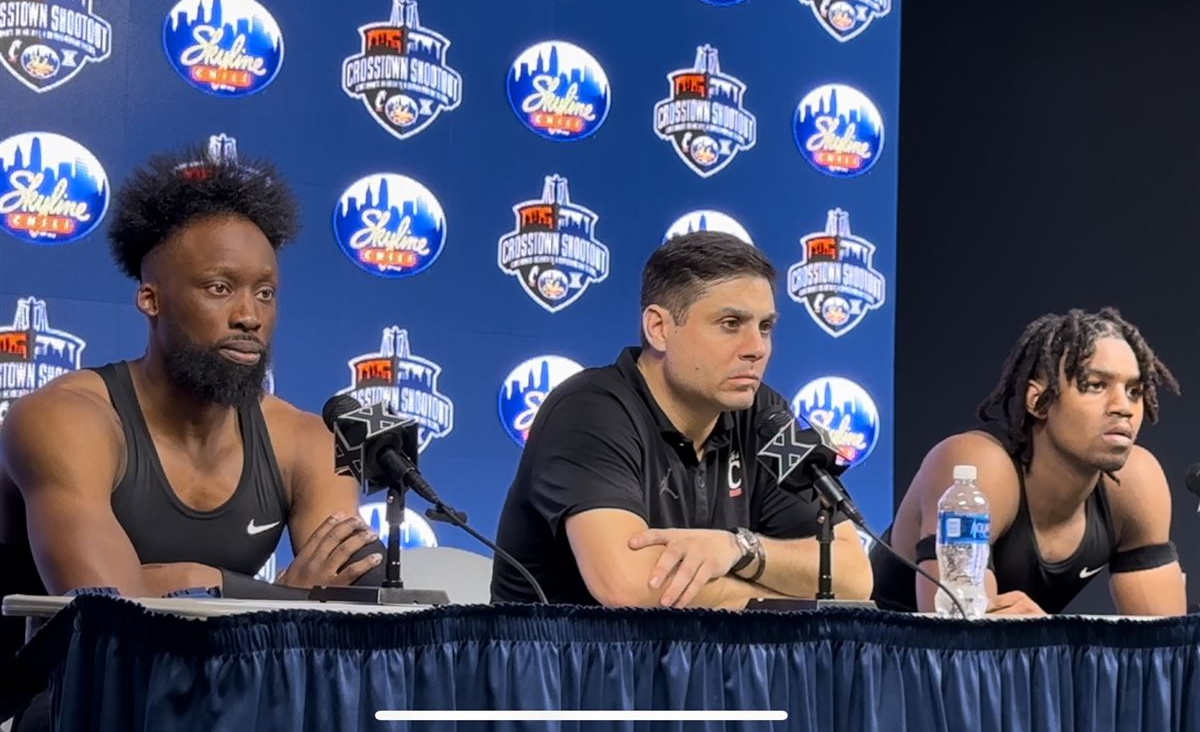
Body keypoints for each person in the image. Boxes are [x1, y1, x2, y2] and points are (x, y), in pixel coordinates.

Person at [0, 146, 385, 727]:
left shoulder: (304, 439)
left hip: (226, 687)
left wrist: (188, 583)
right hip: (60, 699)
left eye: (264, 292)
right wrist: (281, 598)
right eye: (218, 287)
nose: (249, 316)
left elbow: (350, 609)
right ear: (150, 300)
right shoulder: (64, 420)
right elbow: (116, 626)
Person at [490, 231, 873, 608]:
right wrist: (782, 602)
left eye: (765, 327)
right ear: (659, 328)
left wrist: (737, 548)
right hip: (568, 664)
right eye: (730, 324)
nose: (757, 349)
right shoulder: (587, 411)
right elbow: (630, 586)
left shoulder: (764, 416)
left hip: (705, 665)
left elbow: (854, 578)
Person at [871, 308, 1185, 616]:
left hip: (1019, 660)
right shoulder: (975, 469)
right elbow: (959, 631)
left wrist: (1046, 637)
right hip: (886, 657)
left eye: (1134, 391)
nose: (1123, 407)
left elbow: (1166, 650)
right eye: (1095, 385)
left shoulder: (1136, 482)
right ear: (1038, 401)